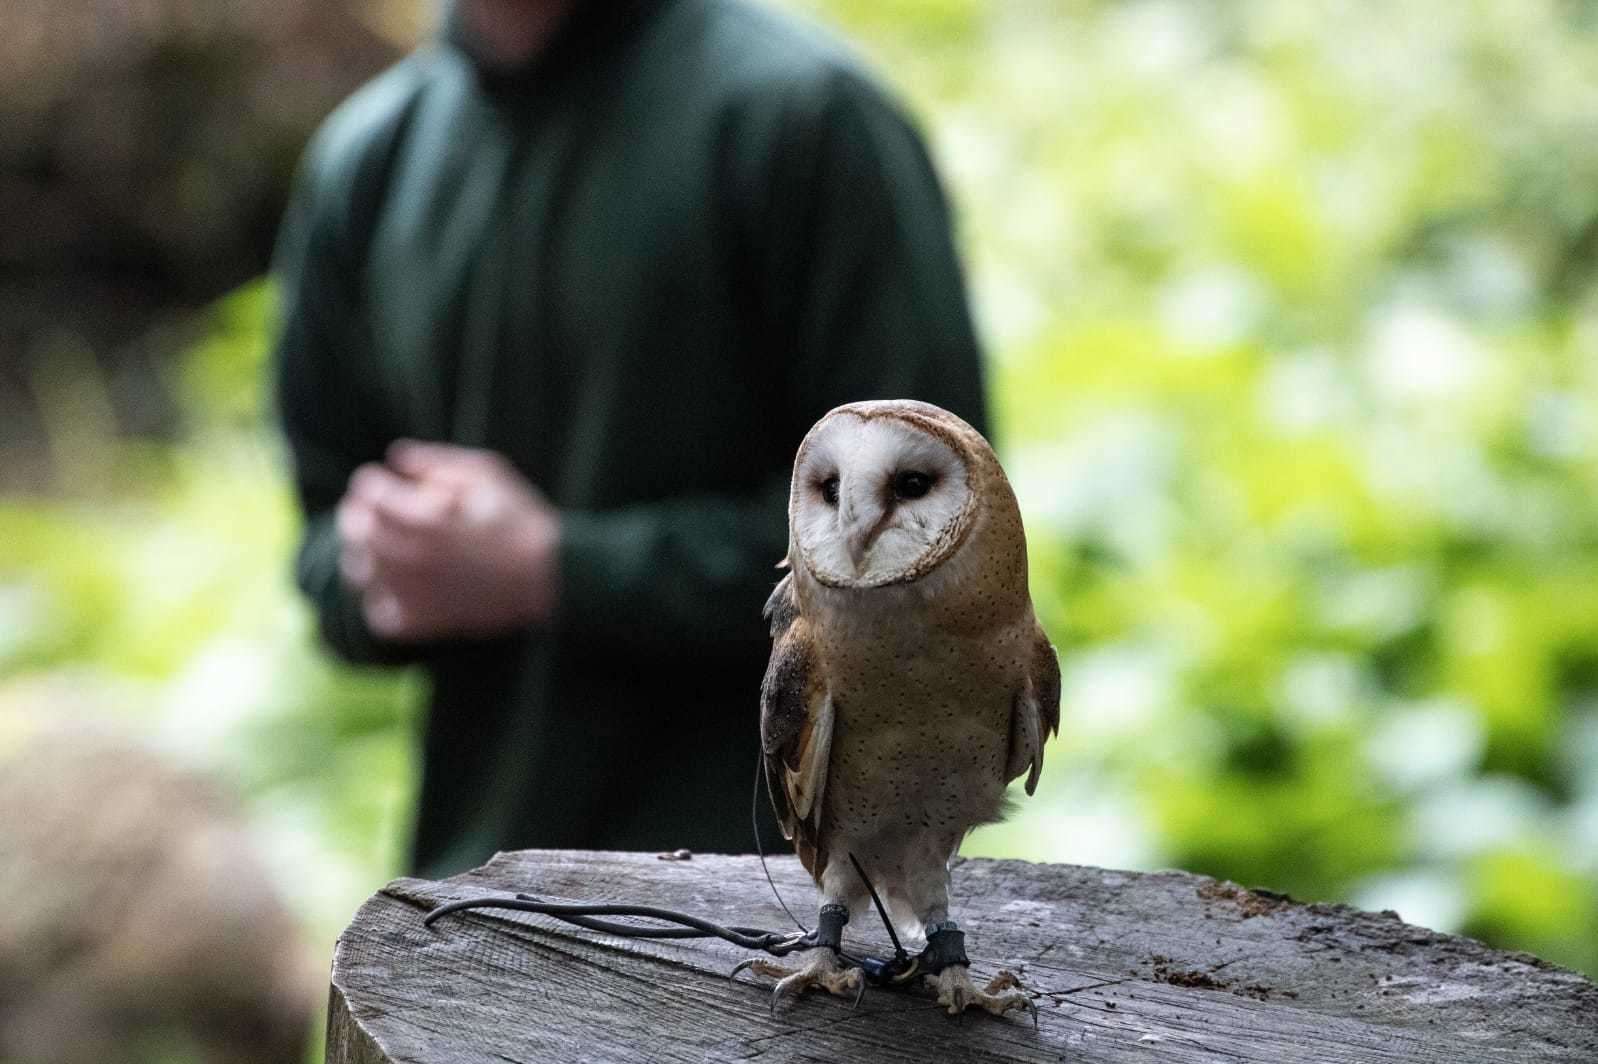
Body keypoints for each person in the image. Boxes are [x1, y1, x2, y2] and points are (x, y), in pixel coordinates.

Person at [272, 0, 988, 879]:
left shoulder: (805, 118)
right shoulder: (369, 160)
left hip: (788, 904)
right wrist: (387, 565)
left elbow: (941, 555)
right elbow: (322, 541)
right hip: (479, 911)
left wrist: (557, 570)